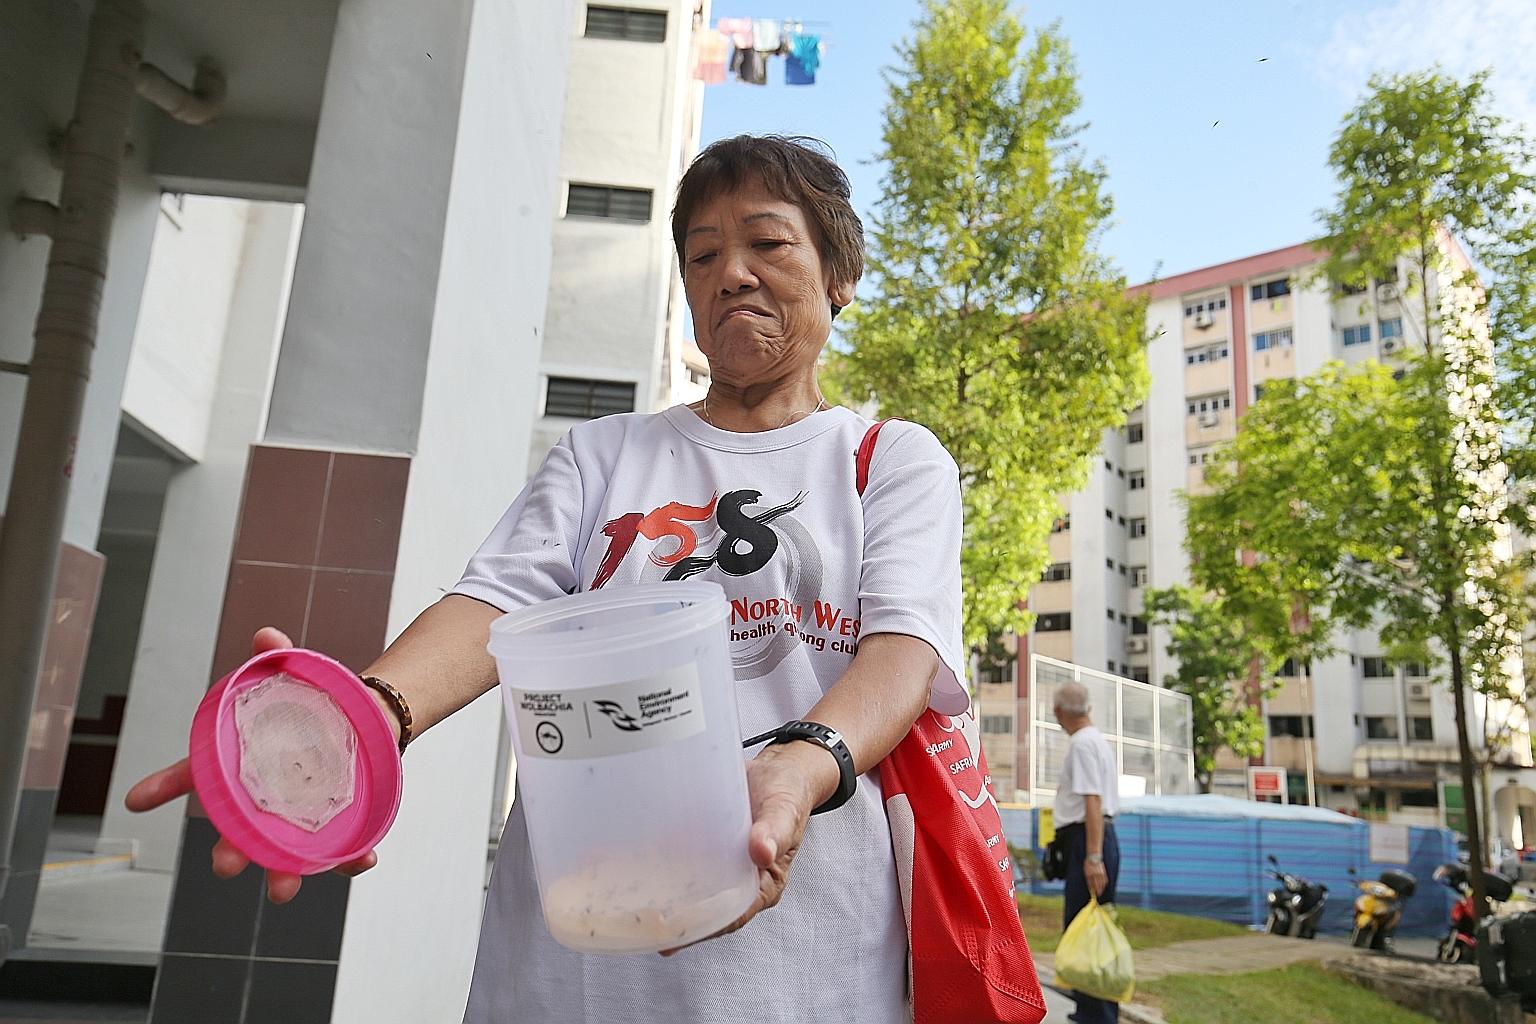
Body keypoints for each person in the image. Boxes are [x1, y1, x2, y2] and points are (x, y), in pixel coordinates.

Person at [127, 134, 970, 1024]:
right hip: (571, 964)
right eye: (703, 255)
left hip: (806, 966)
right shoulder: (603, 455)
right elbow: (495, 603)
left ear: (839, 273)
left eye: (768, 243)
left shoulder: (890, 460)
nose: (732, 274)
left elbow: (902, 655)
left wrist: (800, 768)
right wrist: (367, 714)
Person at [1053, 679, 1121, 1024]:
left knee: (1086, 930)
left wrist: (1092, 857)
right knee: (1093, 928)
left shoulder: (1081, 744)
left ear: (1058, 712)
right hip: (1096, 839)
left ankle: (1096, 1015)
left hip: (1089, 841)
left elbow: (1092, 801)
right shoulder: (1098, 742)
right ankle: (1094, 1011)